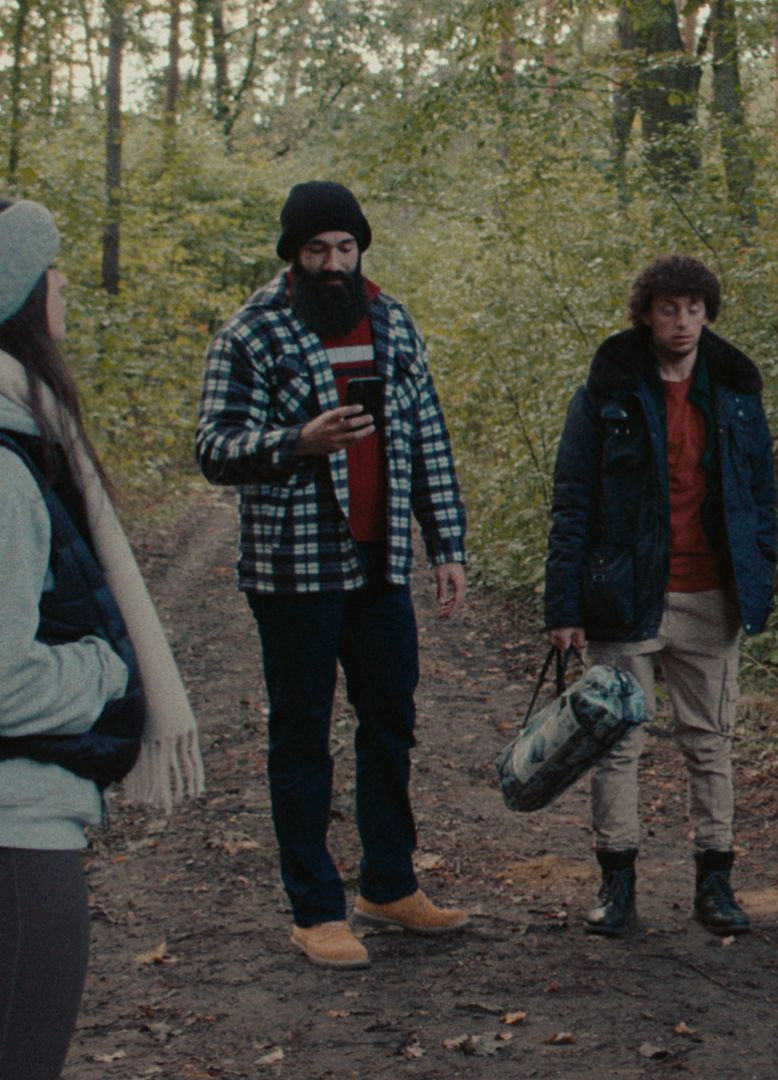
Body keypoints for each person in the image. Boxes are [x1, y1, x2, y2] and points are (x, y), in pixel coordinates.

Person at [196, 181, 471, 970]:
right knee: (302, 735)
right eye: (316, 249)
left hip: (380, 563)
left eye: (345, 248)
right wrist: (297, 441)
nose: (333, 263)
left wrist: (446, 543)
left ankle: (388, 884)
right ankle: (314, 909)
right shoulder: (251, 331)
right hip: (293, 568)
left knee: (390, 724)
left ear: (360, 249)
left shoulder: (392, 320)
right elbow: (213, 446)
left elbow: (427, 435)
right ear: (294, 254)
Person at [0, 198, 201, 1076]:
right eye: (50, 271)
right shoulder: (4, 471)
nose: (65, 284)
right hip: (15, 833)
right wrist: (104, 670)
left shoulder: (22, 438)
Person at [545, 254, 777, 937]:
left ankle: (716, 883)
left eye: (694, 309)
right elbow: (572, 501)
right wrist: (563, 606)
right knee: (617, 743)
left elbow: (760, 495)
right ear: (646, 314)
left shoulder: (735, 392)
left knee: (710, 743)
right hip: (624, 594)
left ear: (708, 314)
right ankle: (616, 883)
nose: (682, 322)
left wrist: (759, 568)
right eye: (669, 309)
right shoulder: (606, 392)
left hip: (711, 593)